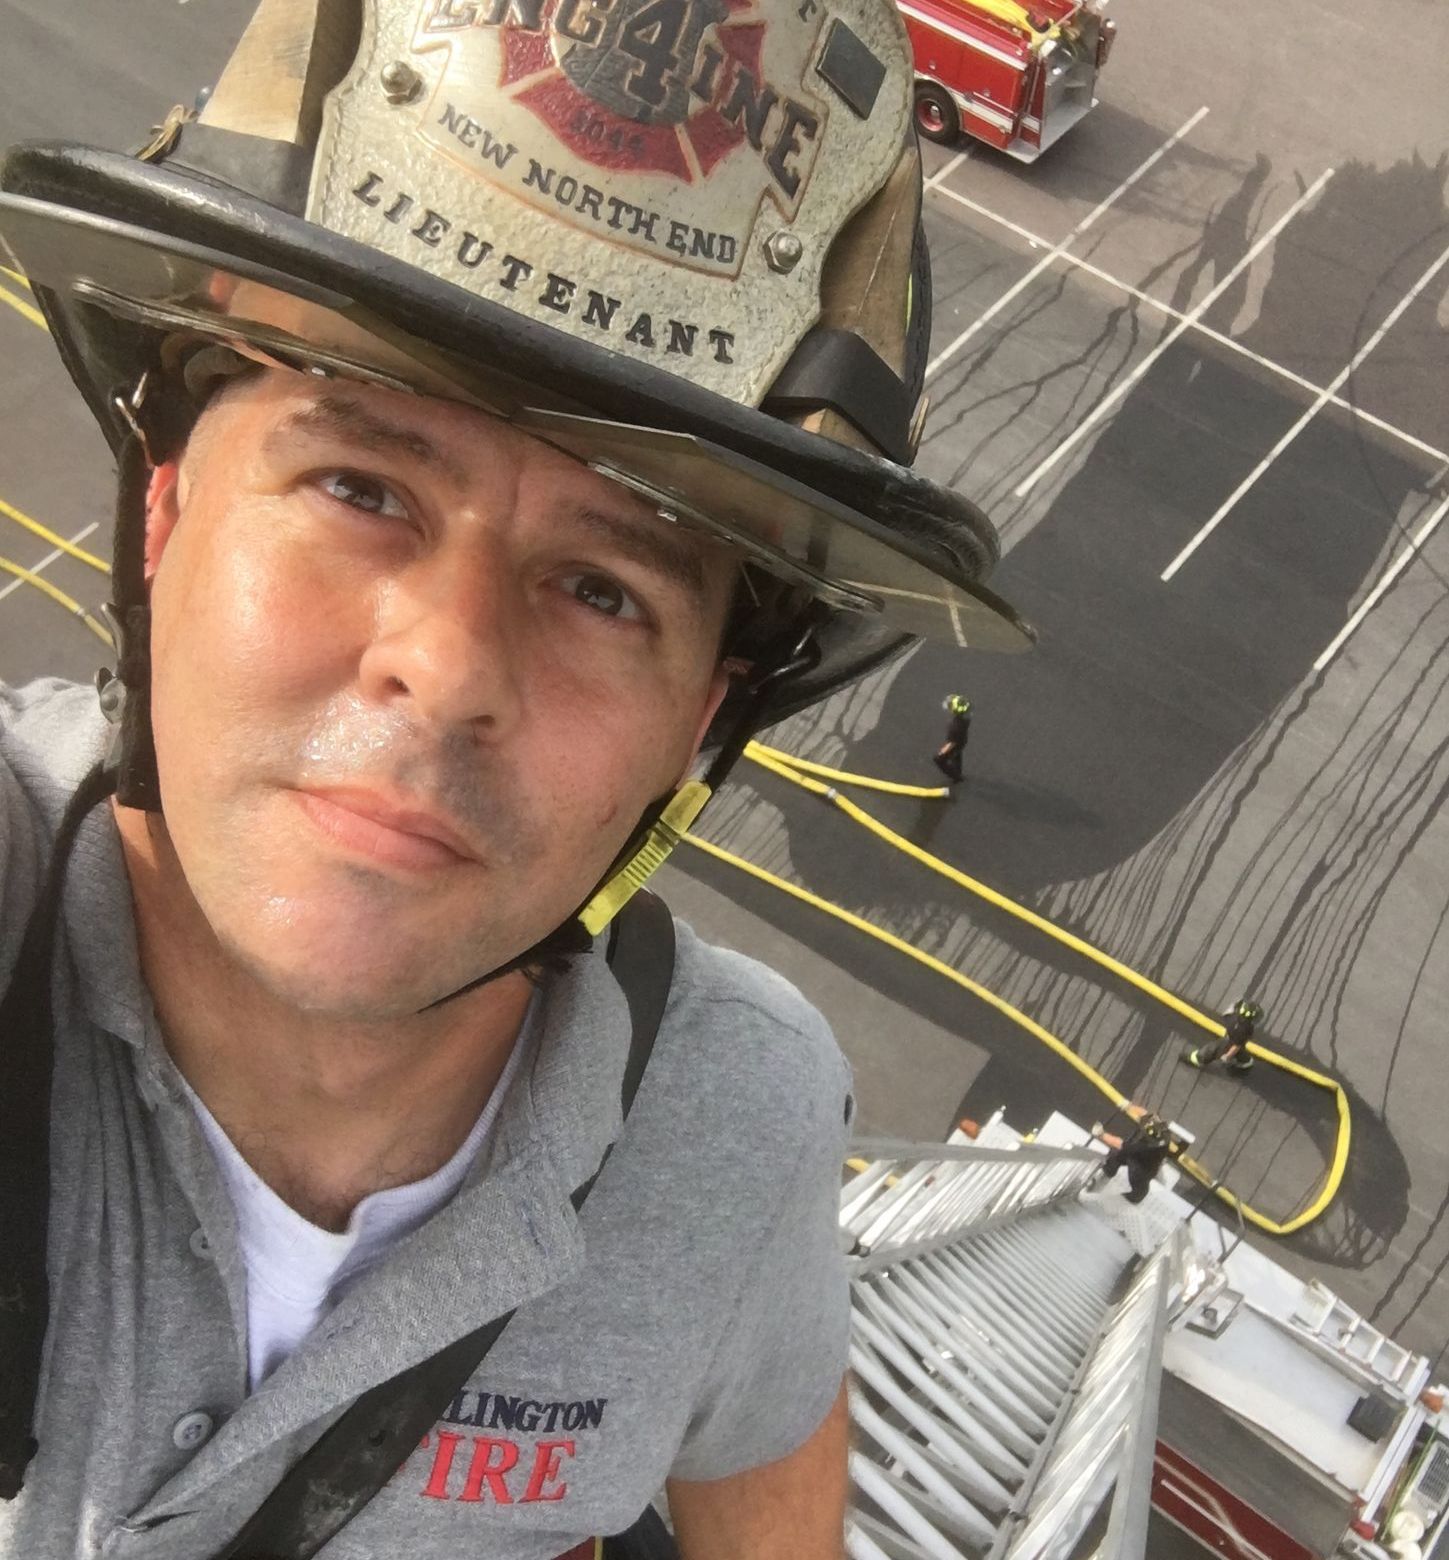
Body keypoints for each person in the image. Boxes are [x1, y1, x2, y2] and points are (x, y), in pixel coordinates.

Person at [0, 0, 1034, 1556]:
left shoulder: (735, 1130)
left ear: (701, 721)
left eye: (607, 588)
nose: (453, 664)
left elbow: (768, 1429)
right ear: (164, 513)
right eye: (360, 484)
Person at [1184, 1000, 1262, 1074]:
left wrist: (1227, 1056)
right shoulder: (1247, 1028)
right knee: (1237, 1051)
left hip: (1229, 1041)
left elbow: (1236, 1046)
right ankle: (1245, 1062)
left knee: (1212, 1049)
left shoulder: (1233, 1018)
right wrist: (1228, 1056)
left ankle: (1198, 1059)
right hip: (1233, 1041)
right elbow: (1237, 1046)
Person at [933, 694, 973, 783]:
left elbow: (952, 743)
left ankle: (956, 776)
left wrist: (942, 753)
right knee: (957, 755)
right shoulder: (966, 717)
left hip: (957, 743)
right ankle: (958, 771)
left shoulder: (955, 727)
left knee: (938, 759)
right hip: (962, 740)